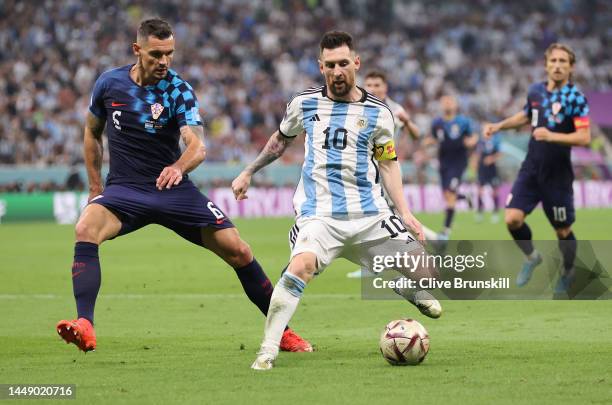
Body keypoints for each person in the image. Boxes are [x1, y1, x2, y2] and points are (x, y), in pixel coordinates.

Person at [56, 18, 310, 353]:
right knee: (85, 228)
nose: (163, 61)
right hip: (125, 190)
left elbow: (197, 145)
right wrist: (94, 188)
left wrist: (178, 166)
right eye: (155, 54)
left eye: (169, 54)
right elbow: (91, 133)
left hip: (174, 190)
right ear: (137, 50)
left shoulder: (178, 90)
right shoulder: (109, 84)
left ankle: (283, 332)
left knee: (239, 250)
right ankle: (85, 325)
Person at [232, 31, 442, 371]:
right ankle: (268, 349)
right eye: (330, 65)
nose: (337, 71)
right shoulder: (304, 103)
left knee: (429, 271)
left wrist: (406, 213)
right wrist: (248, 171)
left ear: (356, 63)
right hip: (321, 215)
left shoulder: (380, 113)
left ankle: (405, 286)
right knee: (300, 267)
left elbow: (389, 163)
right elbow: (279, 140)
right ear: (320, 67)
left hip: (370, 214)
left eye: (343, 63)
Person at [483, 43, 590, 293]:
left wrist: (552, 136)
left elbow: (584, 137)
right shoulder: (535, 91)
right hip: (531, 169)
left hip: (558, 175)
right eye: (553, 61)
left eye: (563, 61)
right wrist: (499, 126)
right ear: (546, 65)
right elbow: (525, 116)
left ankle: (568, 270)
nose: (557, 65)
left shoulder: (576, 98)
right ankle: (532, 257)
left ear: (571, 67)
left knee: (563, 230)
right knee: (512, 219)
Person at [346, 70, 436, 279]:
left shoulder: (395, 109)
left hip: (387, 167)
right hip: (365, 168)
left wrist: (408, 121)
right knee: (380, 215)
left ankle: (386, 262)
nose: (373, 88)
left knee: (383, 216)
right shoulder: (359, 106)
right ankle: (426, 244)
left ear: (385, 87)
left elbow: (416, 136)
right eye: (369, 84)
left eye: (377, 85)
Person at [426, 95, 478, 239]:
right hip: (443, 162)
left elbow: (473, 137)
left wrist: (472, 142)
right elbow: (433, 138)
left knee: (450, 193)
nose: (447, 104)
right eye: (445, 102)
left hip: (459, 162)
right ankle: (465, 196)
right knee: (447, 195)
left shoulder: (463, 122)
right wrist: (427, 143)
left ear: (455, 105)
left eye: (450, 101)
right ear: (441, 105)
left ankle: (446, 230)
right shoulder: (437, 122)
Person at [475, 132, 502, 223]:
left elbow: (500, 154)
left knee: (494, 192)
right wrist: (475, 164)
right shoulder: (480, 142)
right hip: (482, 170)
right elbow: (477, 154)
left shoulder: (495, 141)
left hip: (492, 170)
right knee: (480, 192)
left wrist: (491, 158)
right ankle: (479, 213)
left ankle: (495, 213)